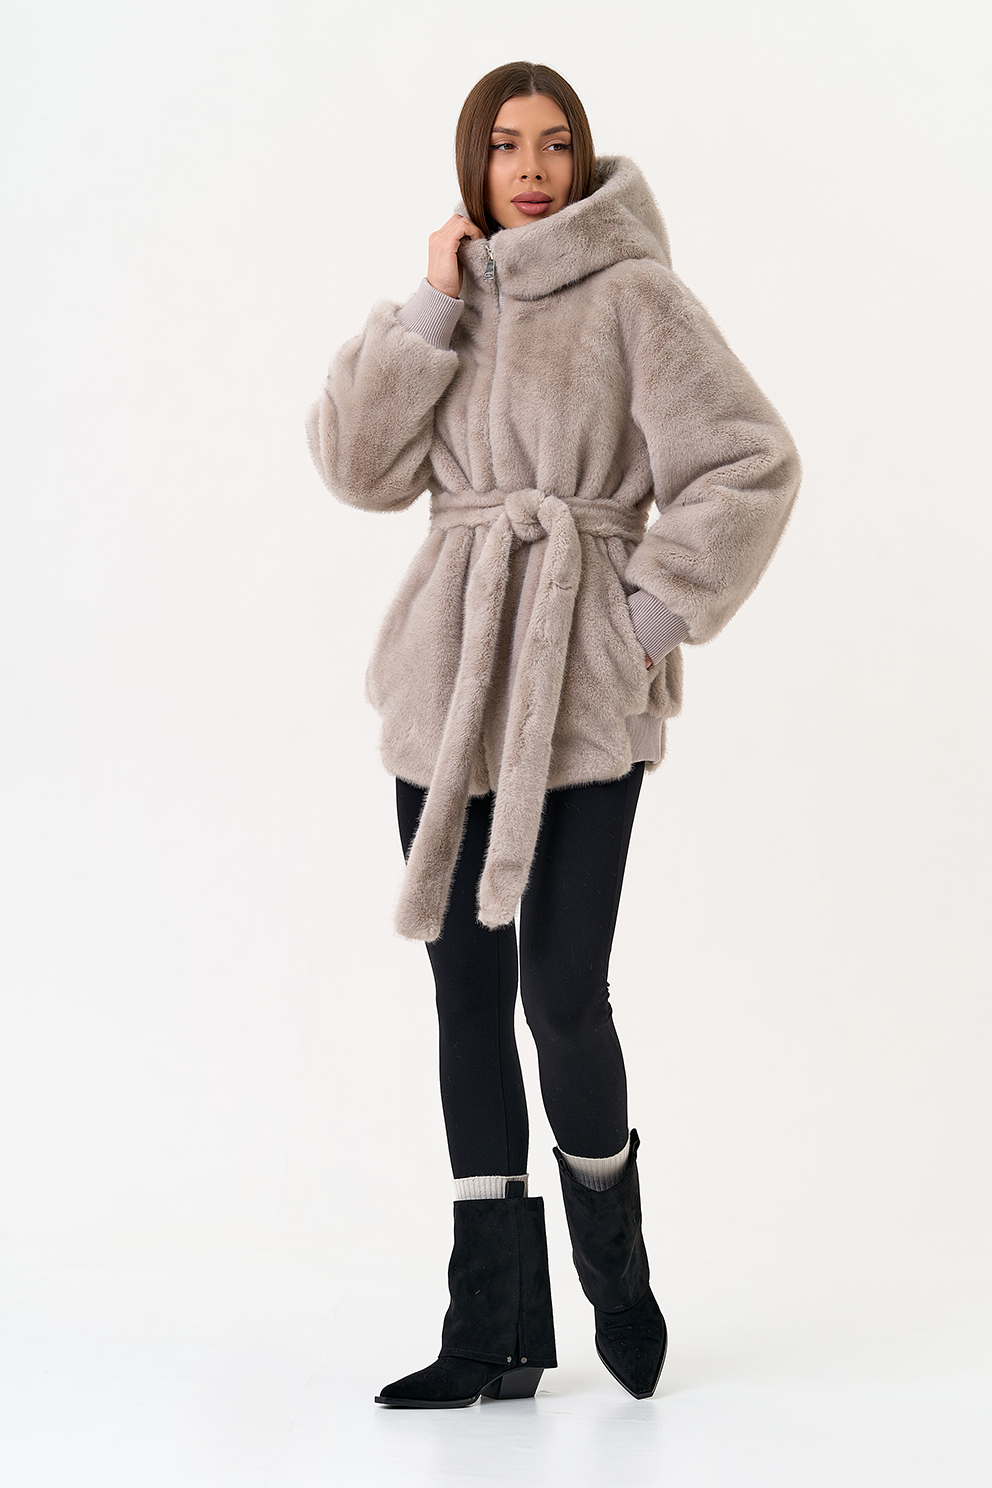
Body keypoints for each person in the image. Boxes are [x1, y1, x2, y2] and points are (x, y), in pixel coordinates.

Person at [306, 60, 801, 1409]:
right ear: (473, 164)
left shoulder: (637, 292)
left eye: (555, 143)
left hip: (578, 703)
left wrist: (640, 623)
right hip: (445, 689)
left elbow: (751, 460)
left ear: (583, 159)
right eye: (506, 145)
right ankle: (494, 1334)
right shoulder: (451, 304)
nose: (531, 168)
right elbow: (357, 468)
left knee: (563, 996)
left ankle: (616, 1273)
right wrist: (431, 302)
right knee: (465, 996)